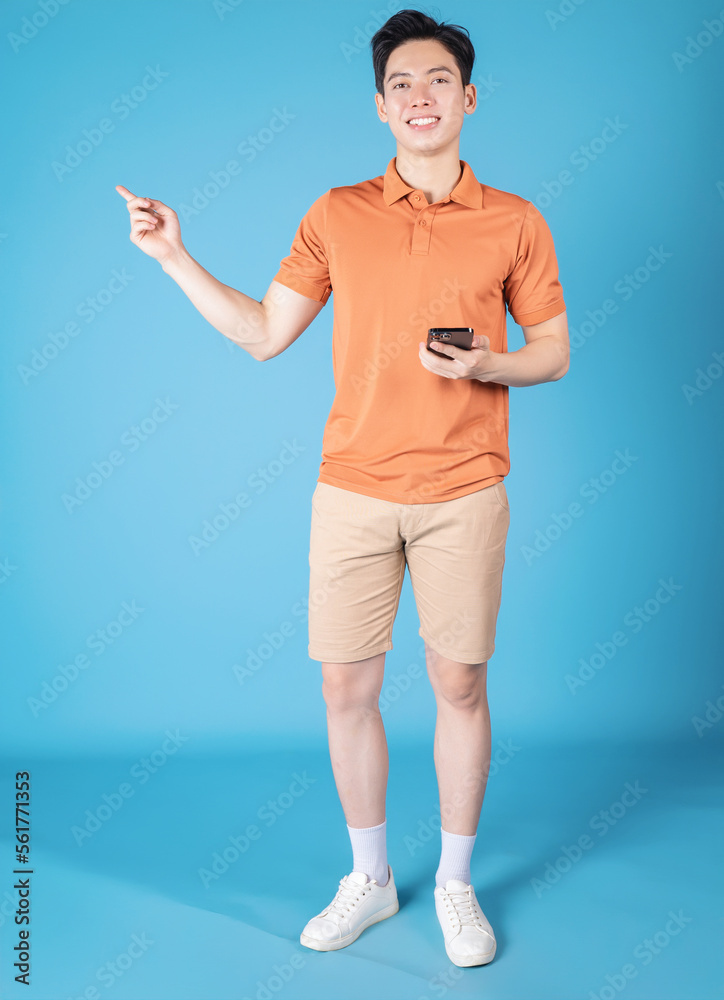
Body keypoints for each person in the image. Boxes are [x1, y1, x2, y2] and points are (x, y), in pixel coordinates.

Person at [116, 7, 568, 968]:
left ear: (468, 97)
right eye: (401, 83)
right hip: (353, 488)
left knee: (459, 682)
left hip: (463, 487)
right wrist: (172, 257)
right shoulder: (336, 212)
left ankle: (453, 884)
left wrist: (488, 365)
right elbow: (262, 332)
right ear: (379, 105)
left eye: (437, 80)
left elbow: (555, 353)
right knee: (344, 687)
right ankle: (369, 879)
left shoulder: (517, 220)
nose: (419, 96)